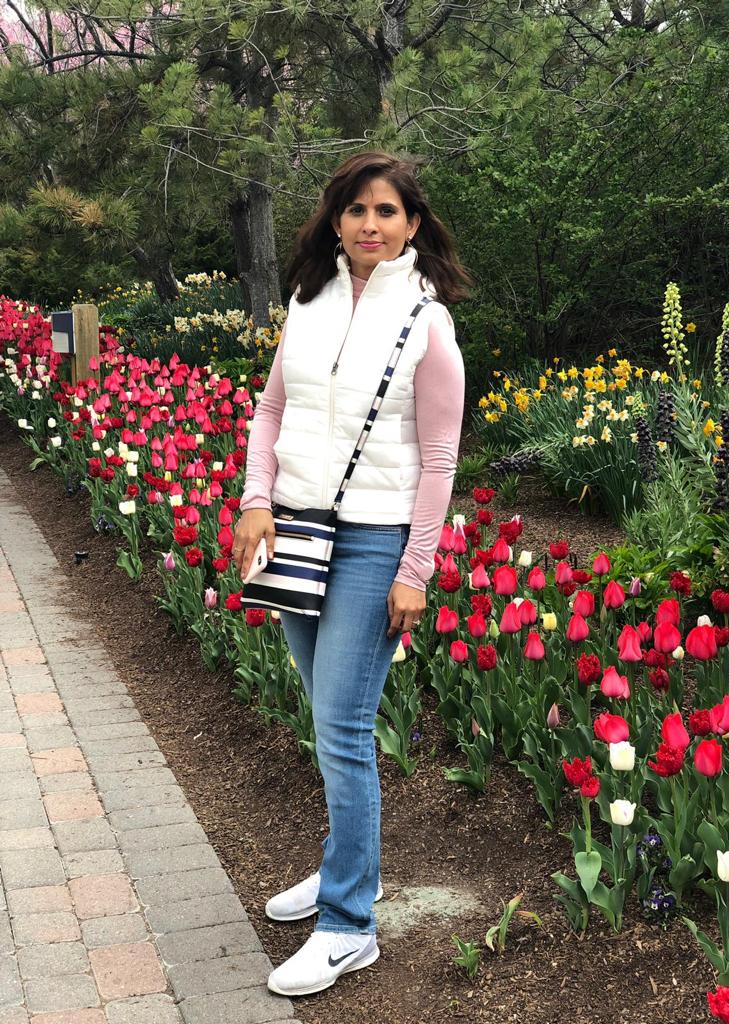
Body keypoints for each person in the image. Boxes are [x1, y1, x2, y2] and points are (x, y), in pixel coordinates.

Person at [233, 150, 468, 997]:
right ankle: (348, 868)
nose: (372, 224)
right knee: (324, 716)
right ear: (336, 219)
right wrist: (254, 499)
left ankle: (347, 925)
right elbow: (271, 409)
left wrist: (417, 569)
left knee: (342, 726)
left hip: (374, 542)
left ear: (412, 225)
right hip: (296, 528)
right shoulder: (308, 300)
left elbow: (439, 457)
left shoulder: (427, 321)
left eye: (388, 211)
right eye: (357, 209)